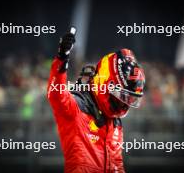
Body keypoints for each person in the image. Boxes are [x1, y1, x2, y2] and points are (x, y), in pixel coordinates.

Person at [47, 28, 145, 173]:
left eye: (129, 99)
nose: (124, 104)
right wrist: (62, 57)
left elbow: (117, 164)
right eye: (122, 97)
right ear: (107, 85)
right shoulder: (77, 106)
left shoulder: (115, 122)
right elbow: (56, 94)